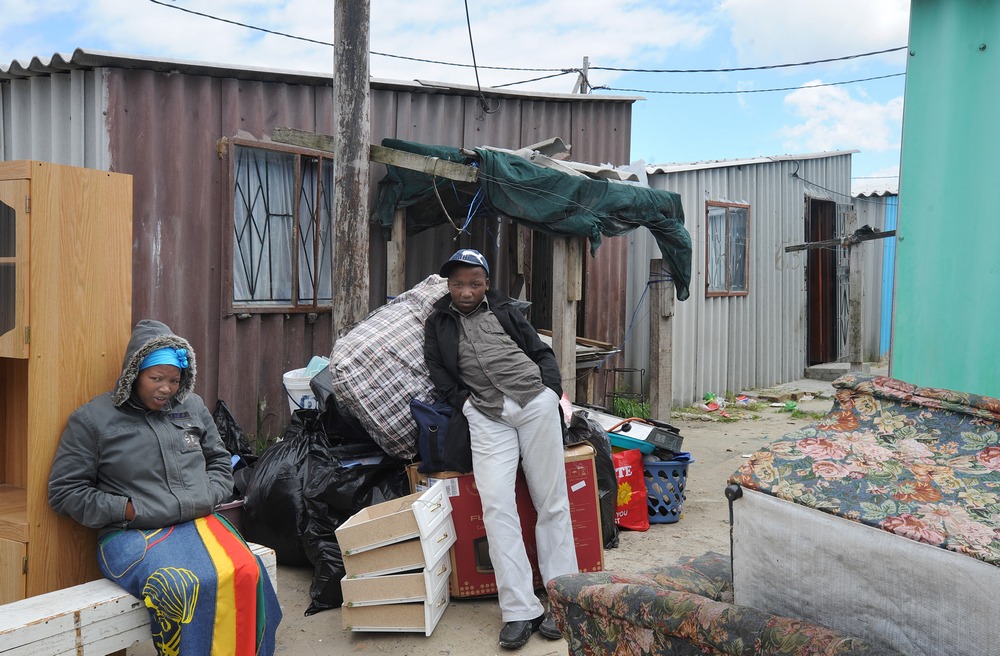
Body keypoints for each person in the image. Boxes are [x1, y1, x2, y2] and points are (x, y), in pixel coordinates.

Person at [48, 319, 281, 656]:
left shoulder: (193, 408)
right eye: (155, 378)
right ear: (134, 372)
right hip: (132, 534)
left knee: (248, 571)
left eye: (174, 380)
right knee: (180, 586)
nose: (166, 389)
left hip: (199, 525)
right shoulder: (92, 420)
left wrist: (209, 496)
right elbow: (65, 491)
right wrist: (127, 509)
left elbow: (219, 461)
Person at [424, 249, 578, 650]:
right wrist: (465, 404)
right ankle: (519, 610)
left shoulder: (507, 310)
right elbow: (438, 371)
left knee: (551, 500)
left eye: (474, 283)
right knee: (495, 504)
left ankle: (563, 601)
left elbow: (541, 351)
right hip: (486, 414)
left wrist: (549, 390)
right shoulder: (438, 322)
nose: (466, 291)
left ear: (486, 283)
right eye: (458, 284)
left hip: (533, 402)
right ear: (449, 285)